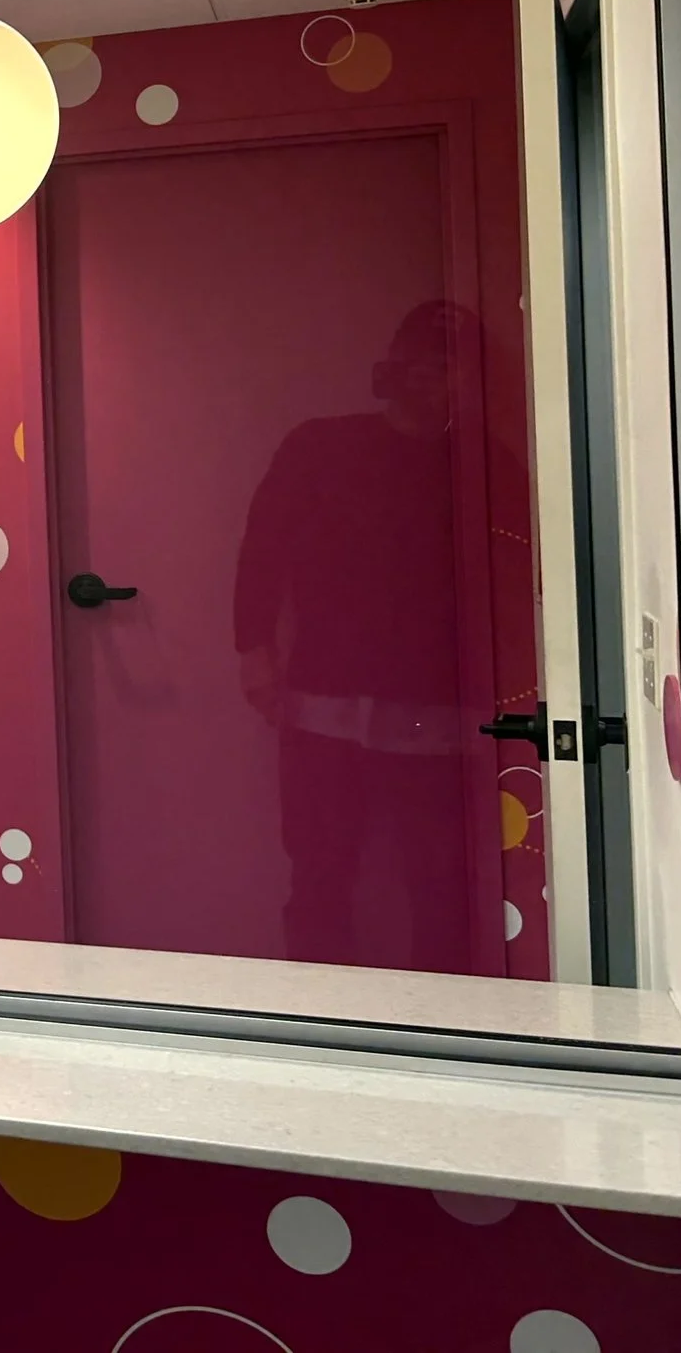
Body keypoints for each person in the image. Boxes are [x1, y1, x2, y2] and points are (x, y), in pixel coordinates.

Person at [233, 300, 480, 972]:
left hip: (441, 714)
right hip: (323, 708)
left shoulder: (484, 469)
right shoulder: (320, 448)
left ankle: (446, 1043)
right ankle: (320, 1039)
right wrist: (256, 655)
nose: (435, 381)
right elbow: (263, 552)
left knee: (442, 891)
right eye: (423, 365)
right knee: (319, 877)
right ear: (392, 370)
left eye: (451, 368)